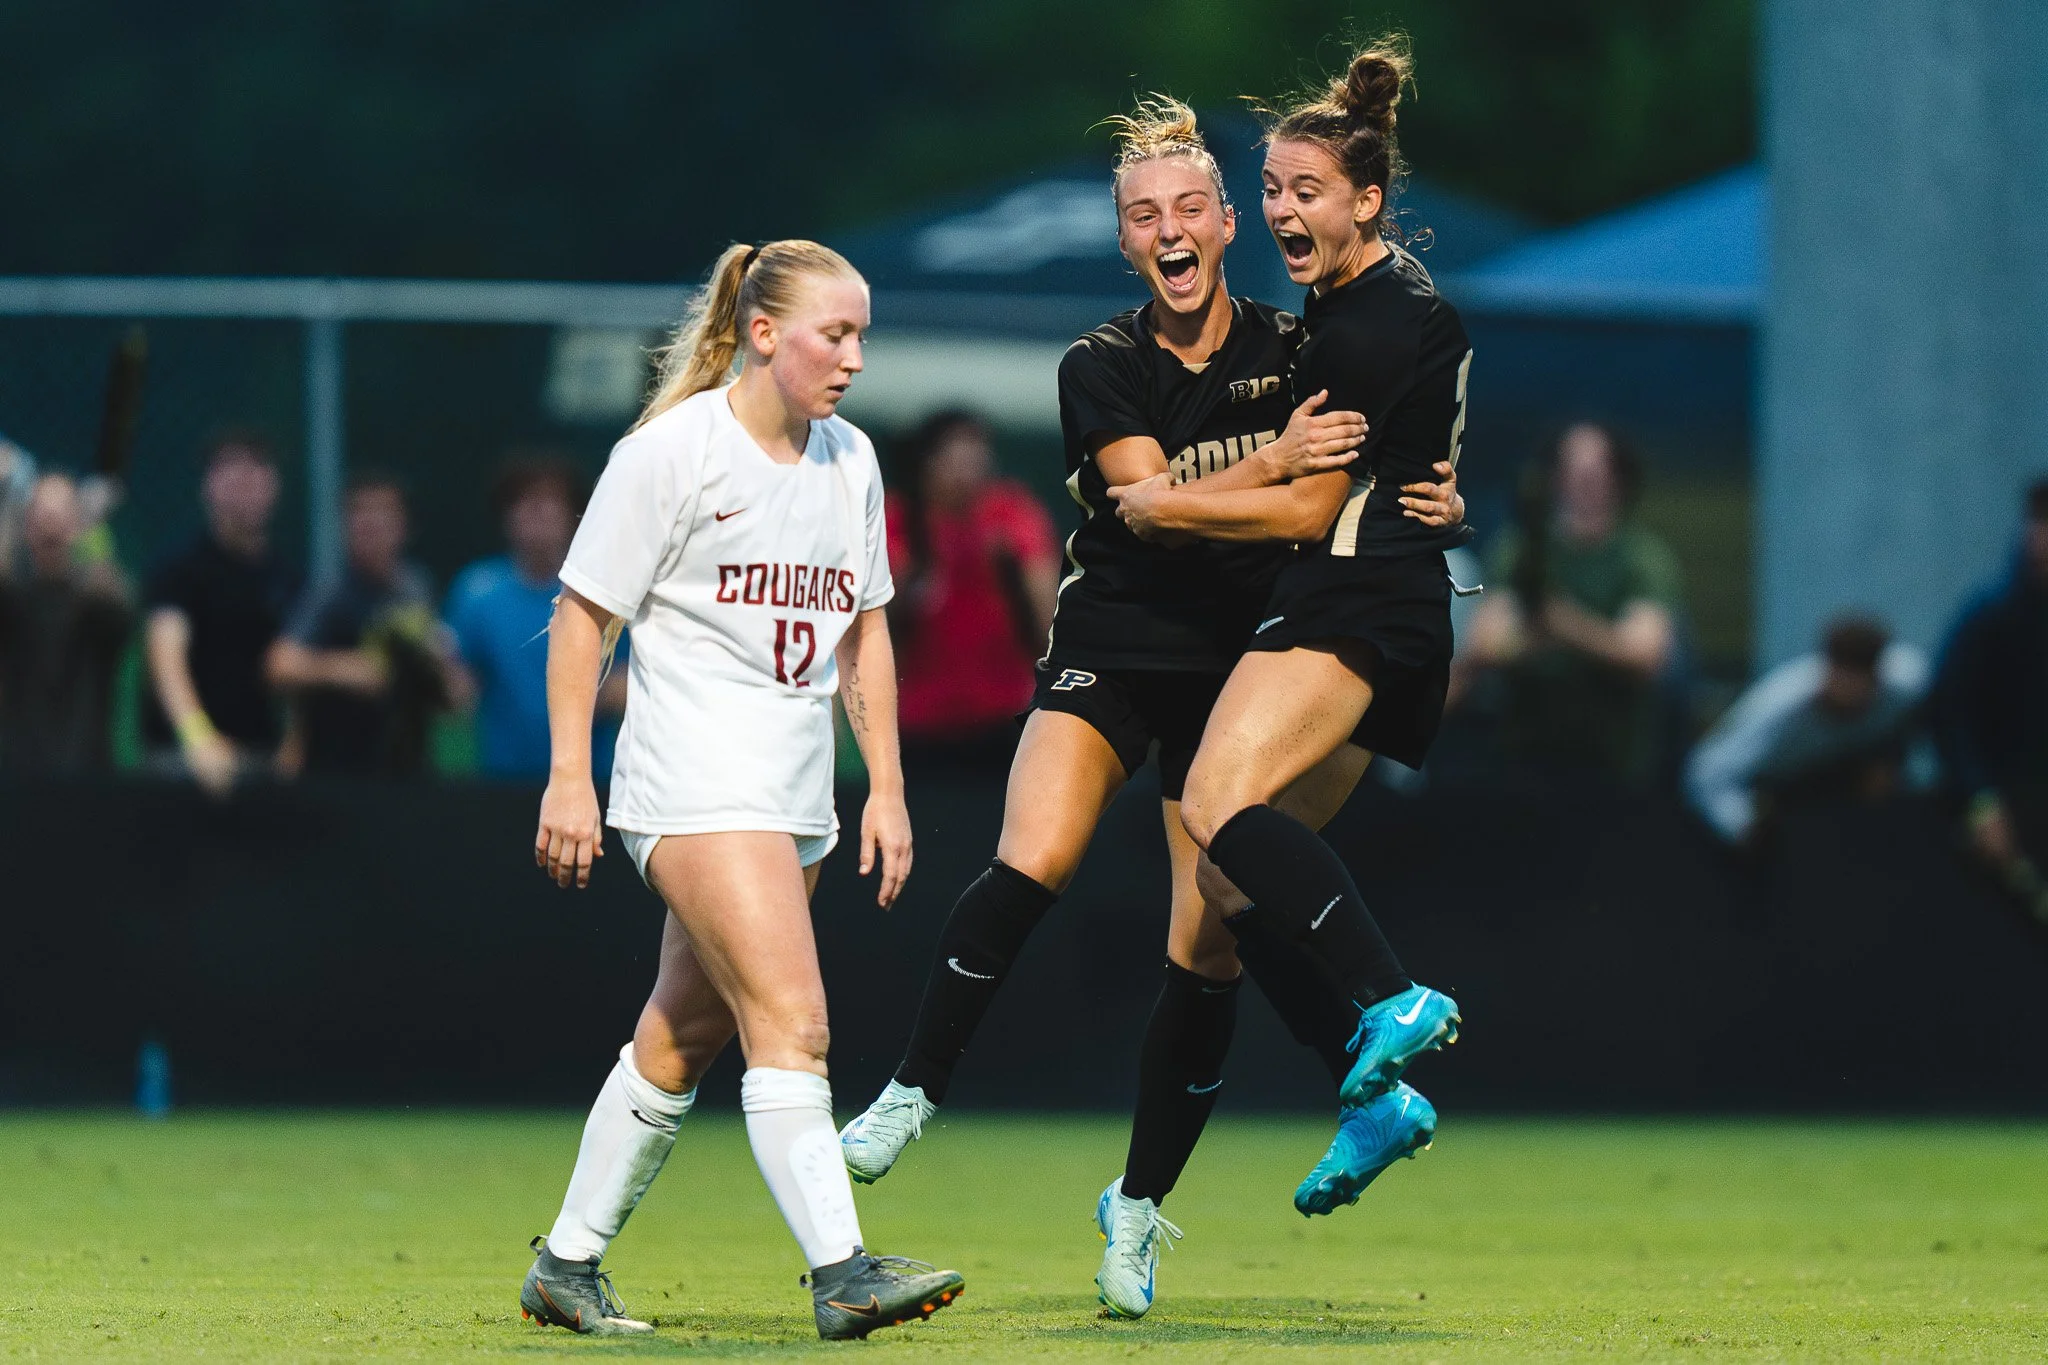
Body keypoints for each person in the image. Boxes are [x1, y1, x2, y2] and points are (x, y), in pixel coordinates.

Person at [837, 93, 1463, 1319]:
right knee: (1039, 852)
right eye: (1142, 217)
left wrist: (1427, 499)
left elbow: (1357, 454)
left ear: (1223, 225)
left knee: (1212, 931)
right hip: (1114, 646)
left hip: (1241, 657)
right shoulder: (1099, 362)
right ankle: (913, 1091)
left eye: (1190, 208)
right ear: (1124, 243)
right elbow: (1137, 500)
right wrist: (1268, 463)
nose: (1169, 231)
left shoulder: (1296, 342)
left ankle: (1133, 1211)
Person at [520, 239, 964, 1341]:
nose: (853, 357)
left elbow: (865, 632)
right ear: (763, 333)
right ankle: (840, 1270)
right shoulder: (671, 453)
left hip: (795, 790)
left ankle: (564, 1267)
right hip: (693, 781)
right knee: (794, 1024)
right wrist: (569, 776)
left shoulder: (850, 460)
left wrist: (888, 790)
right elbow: (583, 619)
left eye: (862, 334)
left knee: (683, 1036)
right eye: (834, 333)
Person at [1112, 38, 1471, 1258]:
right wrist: (1444, 491)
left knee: (1213, 804)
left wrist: (1164, 502)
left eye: (1304, 192)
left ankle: (1390, 998)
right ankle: (1372, 1101)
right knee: (1229, 880)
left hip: (1350, 599)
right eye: (1270, 190)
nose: (1279, 211)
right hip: (1396, 603)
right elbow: (1424, 441)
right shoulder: (1368, 302)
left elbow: (1313, 510)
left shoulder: (1366, 323)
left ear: (1366, 202)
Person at [1459, 423, 1683, 782]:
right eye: (1572, 471)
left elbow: (1645, 654)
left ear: (1618, 479)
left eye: (1596, 472)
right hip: (1523, 755)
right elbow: (1486, 644)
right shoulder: (1519, 550)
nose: (1584, 484)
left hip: (1615, 763)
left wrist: (1559, 623)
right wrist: (1588, 639)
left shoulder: (1643, 557)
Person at [266, 474, 472, 777]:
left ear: (404, 526)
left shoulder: (417, 588)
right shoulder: (330, 593)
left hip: (408, 767)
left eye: (383, 515)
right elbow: (279, 664)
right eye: (360, 514)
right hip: (338, 769)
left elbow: (453, 688)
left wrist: (444, 673)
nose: (371, 525)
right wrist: (344, 669)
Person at [886, 410, 1058, 766]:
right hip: (919, 719)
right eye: (953, 461)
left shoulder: (1012, 513)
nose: (967, 474)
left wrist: (1009, 567)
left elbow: (1047, 620)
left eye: (976, 460)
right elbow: (877, 619)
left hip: (1004, 713)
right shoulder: (898, 519)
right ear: (926, 464)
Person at [446, 456, 626, 781]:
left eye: (550, 501)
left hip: (589, 784)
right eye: (524, 501)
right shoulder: (477, 592)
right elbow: (457, 689)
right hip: (498, 783)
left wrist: (604, 694)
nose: (537, 512)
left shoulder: (606, 588)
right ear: (506, 516)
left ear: (573, 515)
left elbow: (631, 678)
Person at [142, 433, 300, 796]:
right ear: (208, 486)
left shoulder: (289, 579)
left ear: (273, 486)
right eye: (230, 469)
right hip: (183, 762)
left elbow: (293, 668)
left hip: (264, 758)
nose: (243, 481)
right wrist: (199, 739)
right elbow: (166, 657)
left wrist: (295, 746)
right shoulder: (178, 570)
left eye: (255, 469)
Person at [1688, 616, 1928, 848]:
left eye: (1862, 677)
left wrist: (1889, 760)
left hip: (1854, 802)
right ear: (1828, 667)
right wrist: (1742, 823)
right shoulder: (1780, 707)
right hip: (1783, 804)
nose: (1852, 689)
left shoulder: (1906, 685)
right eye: (1844, 674)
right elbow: (1706, 772)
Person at [1930, 479, 2048, 926]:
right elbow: (1949, 714)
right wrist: (1980, 801)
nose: (2041, 538)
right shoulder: (1988, 614)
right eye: (2036, 523)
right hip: (1998, 822)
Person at [0, 472, 134, 774]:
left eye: (61, 513)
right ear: (26, 525)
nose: (51, 523)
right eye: (42, 513)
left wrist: (93, 528)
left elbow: (115, 604)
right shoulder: (13, 601)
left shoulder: (96, 607)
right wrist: (9, 498)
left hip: (89, 774)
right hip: (18, 776)